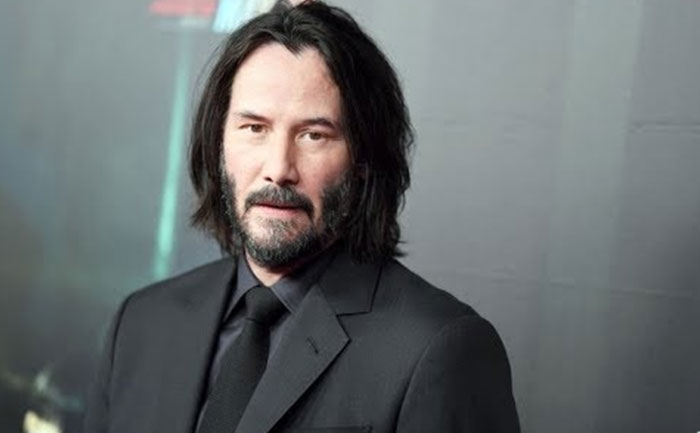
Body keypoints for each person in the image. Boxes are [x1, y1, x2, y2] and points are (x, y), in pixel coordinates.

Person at [83, 2, 520, 432]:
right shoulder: (140, 323)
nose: (278, 168)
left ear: (364, 159)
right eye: (254, 128)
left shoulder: (438, 350)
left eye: (313, 135)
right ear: (219, 143)